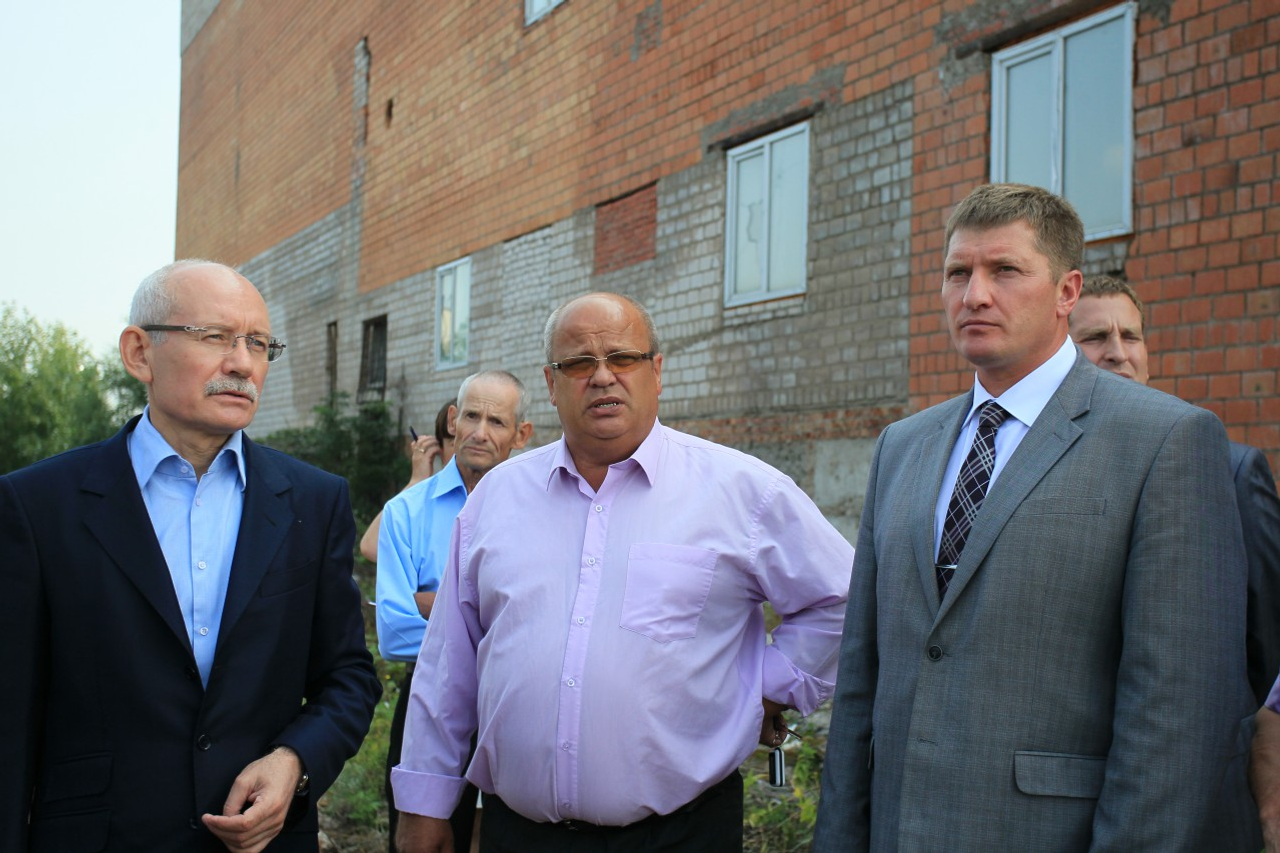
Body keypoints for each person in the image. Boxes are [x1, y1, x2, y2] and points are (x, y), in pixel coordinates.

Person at [812, 184, 1258, 851]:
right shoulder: (901, 447)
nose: (975, 295)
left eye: (1005, 270)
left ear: (1066, 291)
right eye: (958, 273)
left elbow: (1178, 713)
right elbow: (860, 684)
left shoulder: (1164, 441)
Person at [391, 292, 853, 852]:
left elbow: (842, 601)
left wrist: (761, 693)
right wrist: (423, 804)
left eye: (623, 358)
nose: (603, 376)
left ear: (656, 371)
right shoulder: (497, 498)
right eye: (579, 363)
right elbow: (448, 660)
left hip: (682, 834)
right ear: (551, 383)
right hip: (521, 834)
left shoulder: (742, 492)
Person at [0, 260, 381, 853]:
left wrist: (294, 760)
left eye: (259, 344)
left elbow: (348, 676)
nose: (243, 363)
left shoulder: (313, 500)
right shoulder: (38, 504)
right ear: (139, 353)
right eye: (216, 337)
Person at [1069, 275, 1280, 705]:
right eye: (1095, 337)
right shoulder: (1040, 472)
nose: (1118, 353)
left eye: (1131, 336)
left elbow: (1268, 638)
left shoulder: (1232, 471)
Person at [376, 373, 531, 852]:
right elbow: (395, 631)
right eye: (471, 416)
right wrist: (495, 631)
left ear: (521, 434)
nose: (480, 432)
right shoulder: (405, 512)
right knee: (424, 840)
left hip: (516, 707)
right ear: (451, 420)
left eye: (497, 421)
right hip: (429, 702)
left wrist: (436, 604)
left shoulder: (540, 512)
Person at [360, 400, 457, 563]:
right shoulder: (427, 498)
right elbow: (371, 546)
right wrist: (417, 481)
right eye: (454, 443)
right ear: (439, 450)